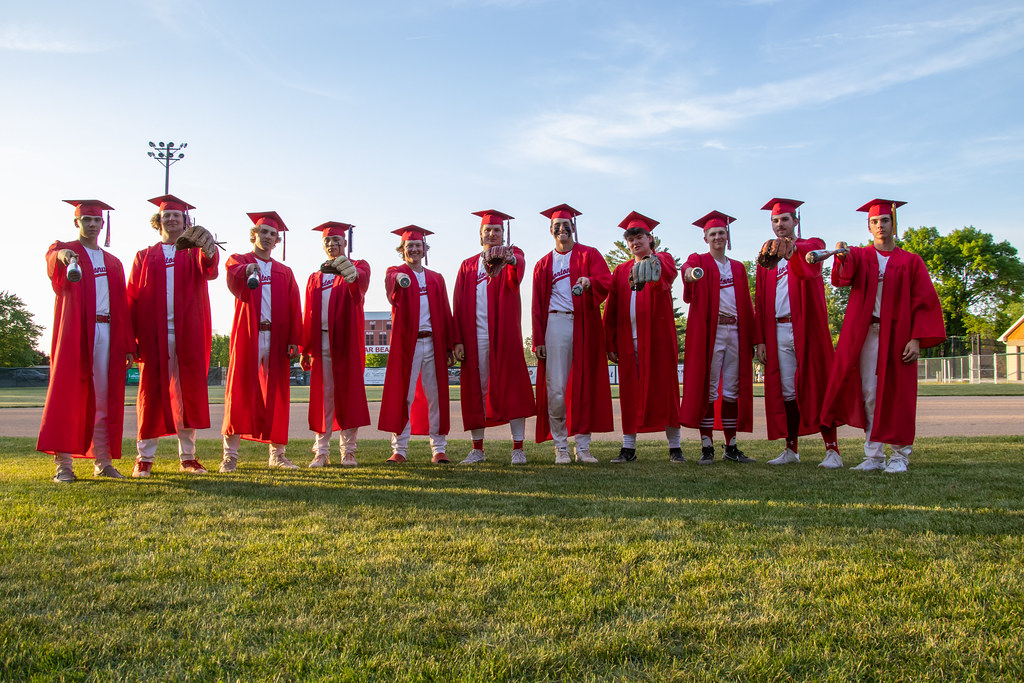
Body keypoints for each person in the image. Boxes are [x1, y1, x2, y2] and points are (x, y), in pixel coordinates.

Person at [820, 199, 945, 473]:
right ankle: (873, 455)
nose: (880, 226)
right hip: (866, 334)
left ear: (893, 223)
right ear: (869, 226)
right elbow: (842, 278)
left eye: (885, 221)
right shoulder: (862, 256)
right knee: (868, 393)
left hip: (899, 335)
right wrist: (842, 253)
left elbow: (924, 302)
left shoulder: (911, 261)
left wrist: (916, 339)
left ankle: (900, 455)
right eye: (875, 222)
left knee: (899, 394)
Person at [38, 199, 134, 482]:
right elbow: (53, 261)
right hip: (76, 333)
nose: (92, 225)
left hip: (108, 333)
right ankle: (64, 465)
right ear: (77, 222)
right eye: (86, 220)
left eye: (96, 221)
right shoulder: (66, 251)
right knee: (68, 395)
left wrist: (129, 344)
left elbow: (122, 305)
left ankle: (102, 461)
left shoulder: (113, 263)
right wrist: (63, 256)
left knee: (105, 398)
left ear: (102, 225)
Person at [127, 194, 219, 477]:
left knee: (187, 394)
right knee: (150, 395)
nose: (171, 219)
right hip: (153, 335)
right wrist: (131, 341)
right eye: (166, 215)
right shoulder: (144, 256)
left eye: (176, 216)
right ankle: (144, 458)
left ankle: (188, 457)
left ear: (185, 221)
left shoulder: (193, 253)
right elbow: (131, 299)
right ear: (159, 221)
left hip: (188, 333)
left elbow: (211, 270)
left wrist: (211, 249)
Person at [753, 198, 842, 469]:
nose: (780, 225)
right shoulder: (767, 259)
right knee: (788, 391)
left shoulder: (811, 245)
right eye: (776, 221)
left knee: (818, 384)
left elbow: (810, 256)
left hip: (806, 328)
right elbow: (759, 301)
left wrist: (792, 250)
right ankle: (791, 448)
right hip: (777, 329)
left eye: (785, 220)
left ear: (796, 221)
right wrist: (760, 340)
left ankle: (832, 450)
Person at [219, 211, 302, 473]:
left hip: (277, 337)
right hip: (248, 333)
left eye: (273, 234)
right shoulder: (239, 260)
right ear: (253, 234)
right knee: (239, 390)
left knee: (278, 394)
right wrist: (247, 269)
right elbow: (232, 277)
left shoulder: (284, 272)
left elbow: (293, 307)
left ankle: (277, 454)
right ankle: (230, 455)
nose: (267, 237)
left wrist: (295, 341)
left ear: (278, 241)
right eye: (263, 232)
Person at [531, 204, 614, 463]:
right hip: (555, 324)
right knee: (556, 388)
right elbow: (535, 305)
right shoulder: (543, 264)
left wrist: (590, 282)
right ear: (550, 230)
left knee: (584, 385)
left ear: (573, 228)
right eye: (557, 226)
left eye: (566, 225)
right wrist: (538, 339)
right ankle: (560, 446)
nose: (562, 229)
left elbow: (607, 281)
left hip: (584, 322)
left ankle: (583, 446)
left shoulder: (589, 254)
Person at [453, 210, 536, 465]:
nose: (492, 234)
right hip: (474, 336)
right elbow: (457, 302)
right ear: (480, 236)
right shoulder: (468, 265)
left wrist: (509, 259)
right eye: (487, 231)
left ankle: (518, 448)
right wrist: (457, 340)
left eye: (497, 230)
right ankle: (477, 449)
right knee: (475, 392)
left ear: (504, 235)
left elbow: (518, 267)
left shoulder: (512, 255)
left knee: (511, 387)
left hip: (503, 335)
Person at [603, 211, 682, 463]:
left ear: (651, 238)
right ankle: (628, 448)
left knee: (667, 391)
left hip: (658, 338)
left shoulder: (663, 259)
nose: (635, 242)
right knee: (628, 393)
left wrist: (655, 265)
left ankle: (675, 447)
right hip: (628, 340)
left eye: (640, 237)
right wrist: (611, 342)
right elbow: (611, 310)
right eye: (631, 239)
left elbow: (668, 273)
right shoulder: (621, 271)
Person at [679, 211, 756, 465]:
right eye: (713, 234)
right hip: (711, 332)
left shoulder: (737, 268)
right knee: (709, 388)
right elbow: (687, 269)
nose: (718, 237)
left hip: (735, 330)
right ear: (705, 237)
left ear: (727, 235)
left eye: (721, 233)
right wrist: (691, 274)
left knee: (732, 389)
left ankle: (731, 445)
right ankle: (707, 445)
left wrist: (754, 337)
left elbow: (747, 304)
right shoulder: (699, 260)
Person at [378, 226, 455, 464]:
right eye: (409, 246)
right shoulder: (396, 272)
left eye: (418, 245)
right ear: (402, 250)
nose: (413, 249)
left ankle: (438, 448)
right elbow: (392, 286)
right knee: (404, 395)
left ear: (425, 249)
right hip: (407, 344)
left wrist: (450, 345)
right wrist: (401, 280)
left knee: (436, 396)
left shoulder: (436, 278)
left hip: (433, 341)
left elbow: (445, 311)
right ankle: (400, 449)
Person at [300, 221, 371, 467]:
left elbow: (359, 286)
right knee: (323, 399)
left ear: (345, 243)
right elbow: (308, 313)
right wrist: (305, 349)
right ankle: (321, 451)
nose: (332, 244)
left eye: (336, 240)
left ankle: (348, 451)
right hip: (321, 343)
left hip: (346, 343)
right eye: (328, 241)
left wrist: (350, 274)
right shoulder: (315, 277)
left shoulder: (357, 267)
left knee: (348, 397)